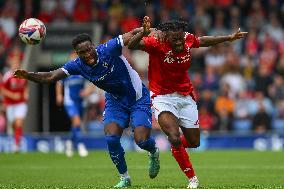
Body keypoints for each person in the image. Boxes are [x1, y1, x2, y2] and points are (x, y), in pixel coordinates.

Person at [14, 29, 160, 187]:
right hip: (115, 102)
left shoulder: (109, 48)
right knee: (111, 138)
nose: (88, 54)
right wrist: (29, 75)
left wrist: (147, 30)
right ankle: (124, 177)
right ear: (77, 54)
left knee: (142, 140)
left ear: (93, 46)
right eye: (82, 52)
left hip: (138, 98)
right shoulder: (77, 65)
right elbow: (51, 76)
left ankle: (154, 152)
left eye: (89, 49)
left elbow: (130, 35)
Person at [128, 16, 247, 189]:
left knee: (193, 142)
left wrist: (228, 38)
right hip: (162, 96)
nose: (178, 42)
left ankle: (176, 149)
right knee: (174, 136)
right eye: (174, 39)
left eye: (180, 37)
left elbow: (203, 41)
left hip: (185, 95)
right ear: (166, 37)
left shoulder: (187, 38)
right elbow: (131, 45)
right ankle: (192, 178)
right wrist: (144, 33)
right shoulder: (156, 42)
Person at [55, 52, 93, 157]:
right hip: (69, 101)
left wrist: (87, 91)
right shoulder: (66, 71)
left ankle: (69, 142)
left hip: (80, 101)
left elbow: (93, 82)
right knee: (77, 122)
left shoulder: (82, 71)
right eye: (72, 58)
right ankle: (80, 145)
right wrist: (59, 95)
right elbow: (59, 83)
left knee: (75, 125)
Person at [1, 59, 29, 152]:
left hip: (21, 103)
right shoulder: (7, 76)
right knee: (14, 125)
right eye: (14, 63)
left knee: (19, 123)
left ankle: (17, 145)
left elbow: (26, 85)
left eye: (17, 63)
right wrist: (12, 95)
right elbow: (2, 90)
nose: (15, 65)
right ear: (11, 64)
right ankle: (16, 139)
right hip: (10, 104)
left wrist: (26, 93)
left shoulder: (22, 74)